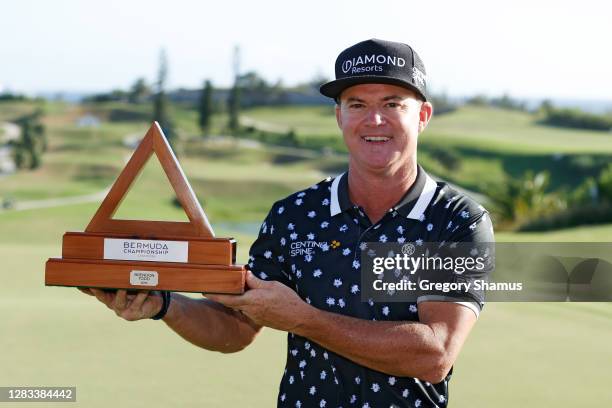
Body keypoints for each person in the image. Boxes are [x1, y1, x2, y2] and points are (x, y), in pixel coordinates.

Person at [82, 38, 494, 408]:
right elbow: (238, 327)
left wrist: (302, 318)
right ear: (339, 116)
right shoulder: (295, 215)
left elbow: (435, 355)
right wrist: (165, 305)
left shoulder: (456, 220)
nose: (374, 120)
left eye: (392, 104)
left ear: (422, 115)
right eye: (357, 105)